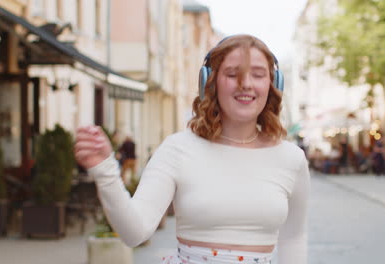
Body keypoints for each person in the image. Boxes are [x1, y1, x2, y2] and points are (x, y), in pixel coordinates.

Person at [74, 35, 310, 264]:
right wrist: (105, 171)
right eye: (232, 74)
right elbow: (134, 233)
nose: (246, 84)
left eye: (258, 75)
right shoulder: (177, 149)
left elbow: (294, 238)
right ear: (210, 82)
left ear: (273, 84)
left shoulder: (291, 158)